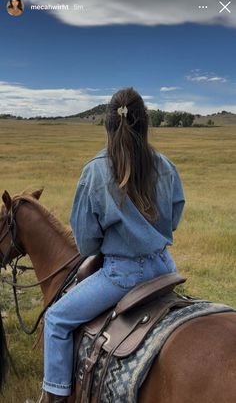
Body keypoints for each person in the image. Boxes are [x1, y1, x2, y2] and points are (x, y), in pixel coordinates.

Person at [34, 87, 185, 402]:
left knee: (56, 319)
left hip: (122, 276)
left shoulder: (95, 170)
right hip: (165, 268)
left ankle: (56, 397)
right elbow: (173, 219)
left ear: (108, 126)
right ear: (145, 124)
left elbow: (87, 243)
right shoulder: (166, 166)